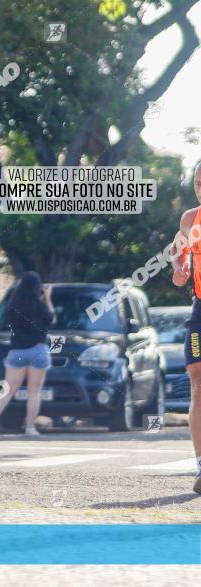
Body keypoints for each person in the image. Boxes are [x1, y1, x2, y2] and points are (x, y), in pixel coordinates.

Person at [0, 272, 55, 438]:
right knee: (34, 391)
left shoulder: (12, 306)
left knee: (8, 389)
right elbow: (51, 319)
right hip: (38, 350)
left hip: (16, 351)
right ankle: (30, 427)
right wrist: (48, 298)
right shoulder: (41, 305)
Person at [169, 161, 201, 494]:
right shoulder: (190, 219)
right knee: (197, 383)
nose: (200, 189)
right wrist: (180, 268)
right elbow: (179, 253)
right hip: (200, 307)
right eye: (197, 183)